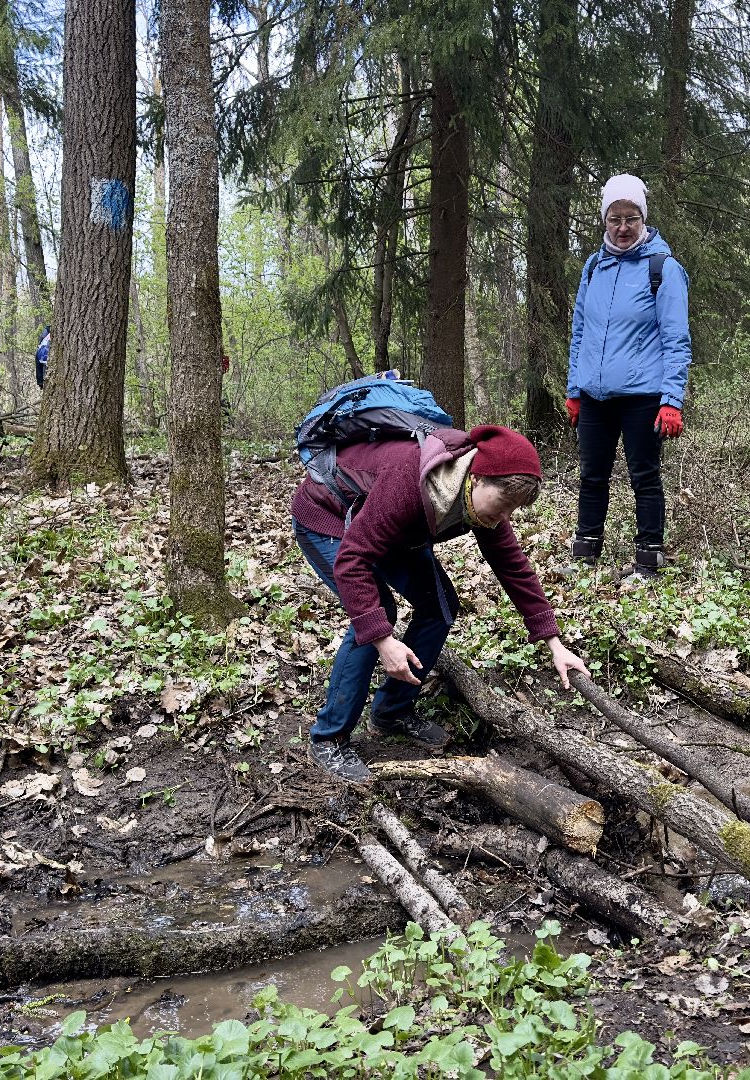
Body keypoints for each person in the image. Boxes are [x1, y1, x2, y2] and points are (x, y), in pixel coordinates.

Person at [291, 423, 589, 782]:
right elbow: (352, 561)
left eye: (513, 510)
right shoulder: (409, 480)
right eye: (503, 505)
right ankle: (329, 737)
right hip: (329, 517)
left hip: (389, 526)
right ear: (477, 478)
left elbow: (514, 568)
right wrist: (384, 640)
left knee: (439, 606)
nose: (504, 517)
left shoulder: (477, 499)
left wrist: (553, 642)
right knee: (376, 613)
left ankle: (391, 711)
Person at [566, 173, 692, 578]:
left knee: (644, 477)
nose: (622, 228)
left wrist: (671, 400)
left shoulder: (663, 269)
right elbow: (580, 332)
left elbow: (677, 339)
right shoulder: (593, 267)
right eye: (614, 219)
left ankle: (648, 561)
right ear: (604, 220)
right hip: (595, 398)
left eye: (631, 218)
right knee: (592, 476)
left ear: (643, 218)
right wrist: (575, 390)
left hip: (642, 396)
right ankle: (584, 556)